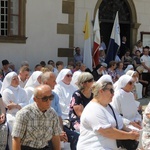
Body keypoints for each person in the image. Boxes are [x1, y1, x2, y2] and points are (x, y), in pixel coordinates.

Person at [77, 75, 139, 150]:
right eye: (111, 91)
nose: (113, 94)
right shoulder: (93, 109)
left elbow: (120, 125)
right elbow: (107, 131)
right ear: (101, 91)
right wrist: (129, 135)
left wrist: (134, 132)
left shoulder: (109, 107)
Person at [12, 84, 61, 150]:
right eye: (45, 99)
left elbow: (56, 137)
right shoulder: (24, 114)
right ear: (35, 99)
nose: (49, 101)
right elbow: (16, 139)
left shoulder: (52, 113)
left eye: (51, 97)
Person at [40, 71, 79, 150]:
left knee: (76, 137)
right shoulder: (38, 96)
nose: (56, 83)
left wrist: (61, 131)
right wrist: (56, 133)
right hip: (43, 129)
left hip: (56, 128)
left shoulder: (55, 96)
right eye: (53, 81)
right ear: (46, 82)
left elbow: (59, 116)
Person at [1, 72, 27, 149]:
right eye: (14, 79)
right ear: (9, 81)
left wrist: (16, 105)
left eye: (17, 78)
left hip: (23, 114)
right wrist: (20, 105)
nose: (16, 80)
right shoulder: (6, 91)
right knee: (14, 130)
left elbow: (27, 104)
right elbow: (8, 106)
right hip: (12, 115)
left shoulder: (22, 90)